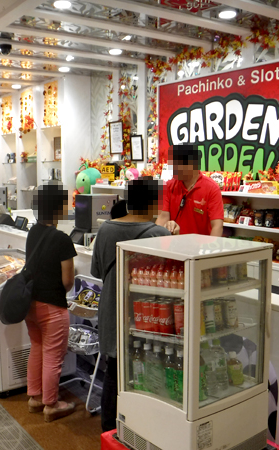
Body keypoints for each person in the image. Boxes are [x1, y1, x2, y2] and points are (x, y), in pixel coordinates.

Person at [91, 178, 171, 432]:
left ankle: (109, 432)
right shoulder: (159, 234)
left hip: (111, 311)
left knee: (114, 373)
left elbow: (96, 271)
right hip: (146, 314)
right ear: (153, 203)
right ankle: (143, 430)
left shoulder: (105, 229)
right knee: (149, 371)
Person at [25, 183, 77, 422]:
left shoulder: (33, 232)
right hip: (53, 306)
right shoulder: (62, 239)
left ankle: (35, 397)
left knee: (37, 348)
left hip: (31, 304)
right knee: (53, 357)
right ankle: (51, 404)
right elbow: (67, 281)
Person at [156, 144, 224, 236]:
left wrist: (212, 244)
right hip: (173, 243)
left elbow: (217, 226)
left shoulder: (212, 188)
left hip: (201, 244)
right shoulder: (168, 186)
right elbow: (162, 219)